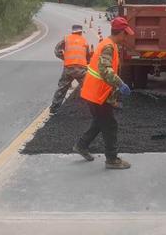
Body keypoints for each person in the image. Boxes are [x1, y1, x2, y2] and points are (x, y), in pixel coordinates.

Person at [73, 17, 134, 169]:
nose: (126, 37)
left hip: (95, 94)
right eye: (125, 34)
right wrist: (120, 84)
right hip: (96, 95)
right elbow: (105, 70)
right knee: (110, 125)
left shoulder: (109, 44)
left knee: (100, 122)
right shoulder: (108, 47)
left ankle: (81, 145)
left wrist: (112, 98)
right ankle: (112, 160)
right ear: (119, 33)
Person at [50, 24, 91, 114]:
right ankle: (92, 109)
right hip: (81, 69)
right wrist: (86, 62)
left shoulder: (66, 38)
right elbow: (88, 56)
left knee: (62, 87)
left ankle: (54, 109)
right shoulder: (84, 41)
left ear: (72, 31)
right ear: (81, 32)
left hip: (68, 68)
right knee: (88, 87)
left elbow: (57, 51)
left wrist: (65, 57)